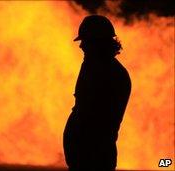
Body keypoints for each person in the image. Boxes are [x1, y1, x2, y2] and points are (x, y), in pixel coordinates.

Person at [63, 15, 131, 171]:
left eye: (85, 41)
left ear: (98, 43)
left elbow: (94, 121)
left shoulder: (110, 74)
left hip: (93, 160)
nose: (81, 46)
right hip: (86, 158)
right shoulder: (94, 68)